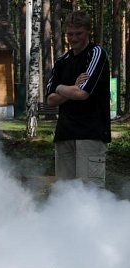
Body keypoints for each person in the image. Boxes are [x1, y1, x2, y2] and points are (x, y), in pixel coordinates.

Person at [46, 10, 110, 188]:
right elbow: (50, 100)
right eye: (69, 34)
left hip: (91, 134)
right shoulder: (61, 61)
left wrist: (59, 88)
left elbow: (82, 94)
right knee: (64, 193)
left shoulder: (96, 54)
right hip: (64, 134)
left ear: (88, 32)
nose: (73, 38)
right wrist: (71, 87)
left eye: (78, 34)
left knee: (91, 194)